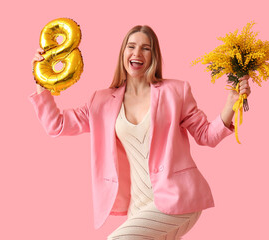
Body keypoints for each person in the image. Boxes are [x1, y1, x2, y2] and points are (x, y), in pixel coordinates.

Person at [30, 25, 251, 240]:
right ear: (123, 53)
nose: (137, 53)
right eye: (131, 46)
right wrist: (42, 81)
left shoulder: (175, 91)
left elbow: (206, 135)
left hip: (177, 196)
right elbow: (56, 125)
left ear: (154, 55)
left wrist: (231, 104)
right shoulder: (102, 100)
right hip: (137, 205)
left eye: (146, 48)